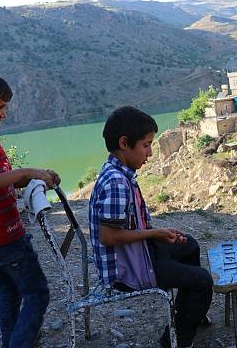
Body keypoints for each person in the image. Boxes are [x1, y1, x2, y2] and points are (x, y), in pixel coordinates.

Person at [88, 106, 213, 348]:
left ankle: (186, 316)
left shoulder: (120, 173)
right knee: (202, 281)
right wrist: (155, 233)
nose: (151, 153)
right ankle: (177, 341)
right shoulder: (116, 183)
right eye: (146, 145)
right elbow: (109, 236)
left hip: (139, 255)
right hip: (127, 270)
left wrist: (157, 235)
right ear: (124, 143)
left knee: (189, 245)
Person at [0, 68, 61, 348]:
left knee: (9, 291)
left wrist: (28, 177)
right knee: (37, 293)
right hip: (5, 240)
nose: (3, 114)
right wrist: (24, 172)